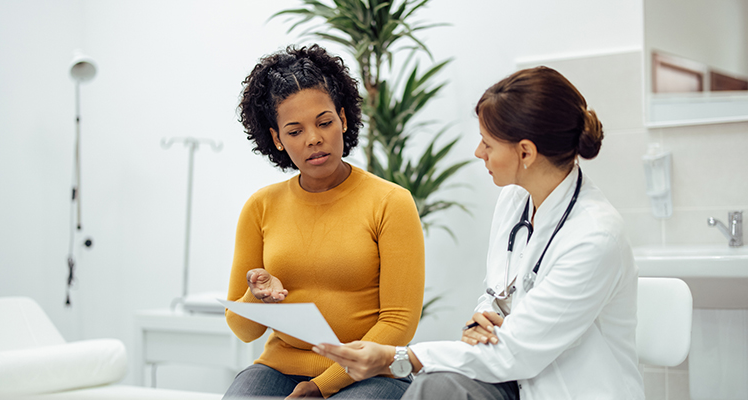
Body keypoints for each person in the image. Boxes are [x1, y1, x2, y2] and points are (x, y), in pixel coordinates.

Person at [313, 66, 645, 400]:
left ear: (526, 152)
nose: (478, 152)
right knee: (435, 388)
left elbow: (516, 351)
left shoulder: (594, 238)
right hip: (513, 379)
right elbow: (496, 294)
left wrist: (397, 358)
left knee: (434, 387)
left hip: (567, 389)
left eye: (487, 143)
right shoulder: (514, 199)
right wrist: (482, 321)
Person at [222, 44, 425, 400]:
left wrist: (321, 386)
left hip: (371, 373)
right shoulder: (260, 207)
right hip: (280, 368)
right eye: (294, 131)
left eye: (325, 122)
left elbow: (398, 324)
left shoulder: (391, 203)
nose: (314, 138)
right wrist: (257, 297)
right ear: (277, 139)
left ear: (343, 120)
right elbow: (243, 329)